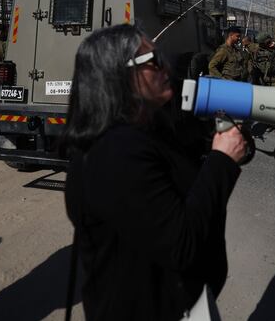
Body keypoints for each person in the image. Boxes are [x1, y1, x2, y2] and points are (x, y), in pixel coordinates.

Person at [63, 24, 247, 320]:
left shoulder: (145, 133)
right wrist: (222, 160)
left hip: (176, 301)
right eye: (154, 62)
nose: (166, 67)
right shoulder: (116, 153)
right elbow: (182, 244)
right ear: (118, 76)